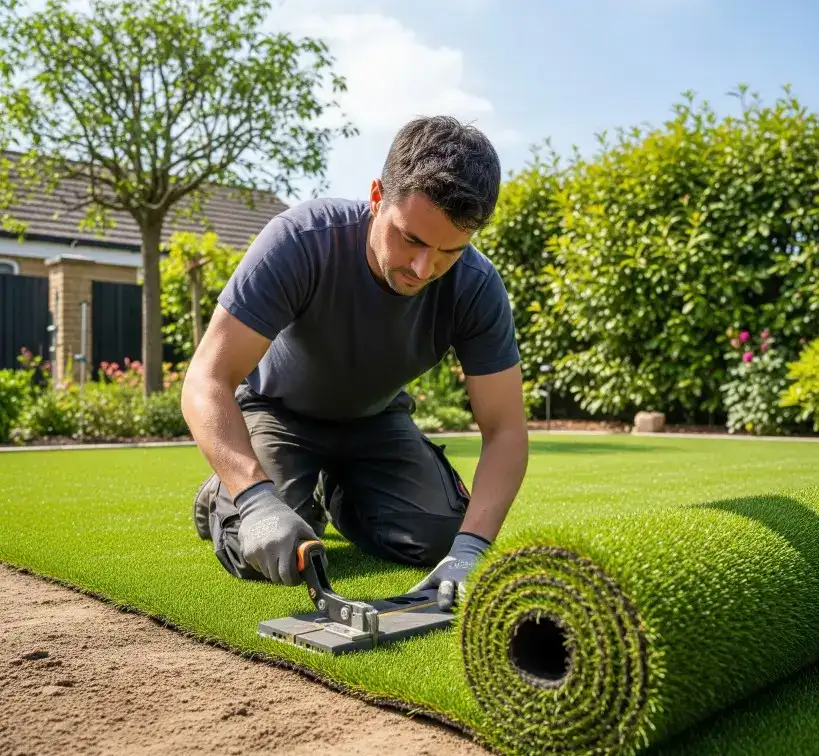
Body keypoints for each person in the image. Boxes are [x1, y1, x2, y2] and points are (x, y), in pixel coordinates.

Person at [181, 115, 529, 611]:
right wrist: (255, 499)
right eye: (411, 239)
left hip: (377, 422)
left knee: (439, 538)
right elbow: (206, 378)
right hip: (279, 412)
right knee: (263, 551)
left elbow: (506, 431)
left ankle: (341, 493)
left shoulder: (476, 286)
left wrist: (471, 550)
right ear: (376, 196)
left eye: (450, 250)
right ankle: (222, 497)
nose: (422, 269)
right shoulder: (300, 241)